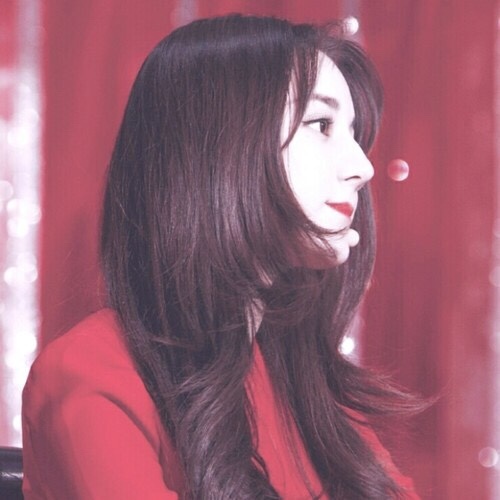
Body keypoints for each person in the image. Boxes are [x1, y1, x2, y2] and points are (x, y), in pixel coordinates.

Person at [22, 14, 421, 499]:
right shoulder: (92, 372)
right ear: (222, 147)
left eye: (354, 134)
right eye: (321, 125)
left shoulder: (309, 389)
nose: (362, 167)